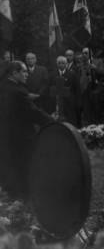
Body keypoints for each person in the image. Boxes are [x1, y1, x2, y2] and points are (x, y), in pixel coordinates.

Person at [0, 61, 54, 199]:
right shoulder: (17, 91)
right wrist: (52, 120)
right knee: (25, 163)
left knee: (10, 162)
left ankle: (11, 192)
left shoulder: (4, 86)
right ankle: (23, 195)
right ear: (14, 73)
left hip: (6, 133)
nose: (26, 74)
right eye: (23, 71)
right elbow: (33, 113)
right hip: (20, 135)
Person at [49, 56, 79, 125]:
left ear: (66, 64)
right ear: (57, 64)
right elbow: (50, 87)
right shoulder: (52, 74)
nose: (61, 65)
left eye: (63, 63)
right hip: (56, 102)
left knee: (70, 121)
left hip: (69, 102)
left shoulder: (72, 74)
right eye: (59, 63)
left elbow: (76, 89)